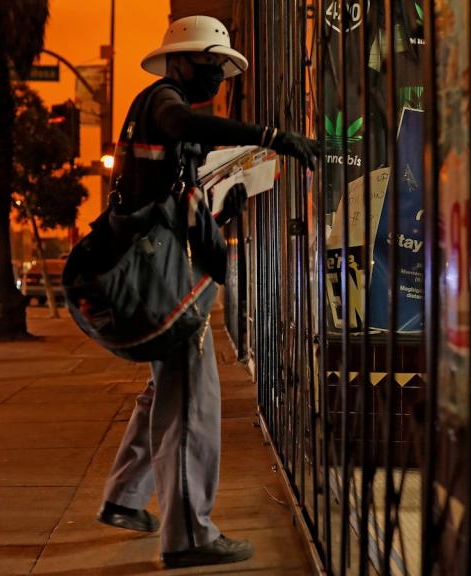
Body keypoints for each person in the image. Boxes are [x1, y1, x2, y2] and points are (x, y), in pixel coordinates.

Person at [95, 15, 319, 569]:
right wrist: (269, 137)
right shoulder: (162, 102)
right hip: (161, 280)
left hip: (157, 273)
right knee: (191, 402)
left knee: (165, 393)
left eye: (220, 67)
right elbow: (180, 124)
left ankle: (125, 497)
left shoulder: (169, 124)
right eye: (211, 64)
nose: (216, 77)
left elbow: (180, 204)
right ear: (182, 61)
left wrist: (224, 213)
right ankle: (189, 536)